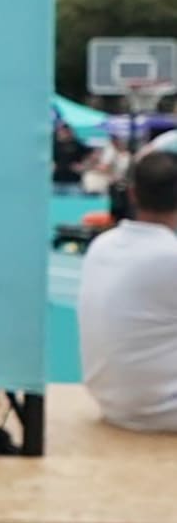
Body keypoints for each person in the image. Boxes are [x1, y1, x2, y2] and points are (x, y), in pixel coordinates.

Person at [77, 149, 177, 431]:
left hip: (112, 402)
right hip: (159, 409)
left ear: (132, 194)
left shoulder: (102, 246)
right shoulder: (170, 256)